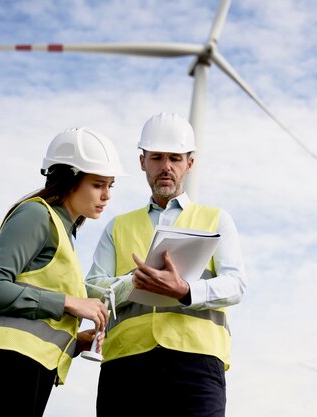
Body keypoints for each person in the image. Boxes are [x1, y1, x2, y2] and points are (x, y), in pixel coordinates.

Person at [0, 127, 128, 417]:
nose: (106, 196)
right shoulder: (36, 215)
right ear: (69, 179)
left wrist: (77, 342)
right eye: (97, 184)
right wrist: (70, 302)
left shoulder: (64, 232)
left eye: (110, 186)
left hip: (25, 374)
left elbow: (32, 327)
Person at [85, 112, 247, 417]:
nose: (166, 167)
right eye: (157, 157)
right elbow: (93, 288)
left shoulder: (216, 220)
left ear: (190, 163)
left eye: (175, 158)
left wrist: (185, 290)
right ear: (142, 161)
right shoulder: (117, 226)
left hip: (196, 365)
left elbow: (235, 285)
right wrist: (130, 282)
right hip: (125, 365)